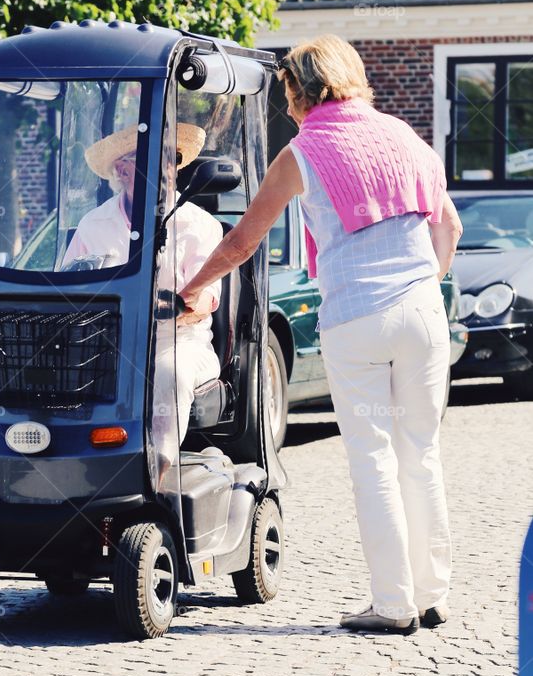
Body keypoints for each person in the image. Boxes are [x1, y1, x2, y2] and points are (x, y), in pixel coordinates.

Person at [180, 35, 463, 636]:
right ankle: (433, 594)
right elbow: (451, 228)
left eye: (287, 92)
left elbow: (242, 242)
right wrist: (422, 287)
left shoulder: (304, 153)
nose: (286, 105)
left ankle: (393, 604)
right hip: (422, 314)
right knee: (422, 452)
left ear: (303, 90)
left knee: (374, 460)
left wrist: (193, 288)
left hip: (357, 318)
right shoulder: (405, 137)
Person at [64, 121, 223, 445]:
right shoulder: (93, 224)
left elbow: (205, 300)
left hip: (178, 342)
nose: (166, 167)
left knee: (169, 373)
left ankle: (159, 475)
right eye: (152, 157)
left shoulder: (199, 224)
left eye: (170, 157)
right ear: (121, 170)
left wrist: (172, 307)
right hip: (105, 343)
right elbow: (68, 288)